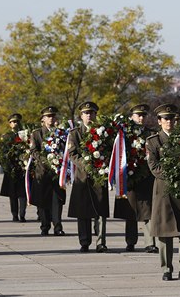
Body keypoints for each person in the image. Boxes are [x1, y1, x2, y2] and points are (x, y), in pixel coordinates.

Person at [146, 104, 180, 283]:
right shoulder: (153, 141)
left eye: (172, 119)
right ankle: (167, 268)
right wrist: (175, 173)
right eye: (166, 119)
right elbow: (153, 166)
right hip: (163, 190)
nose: (169, 122)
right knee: (164, 232)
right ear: (159, 121)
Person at [113, 104, 158, 253]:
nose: (141, 118)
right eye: (138, 115)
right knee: (130, 211)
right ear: (131, 117)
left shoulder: (151, 135)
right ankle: (130, 241)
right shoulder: (124, 134)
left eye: (143, 115)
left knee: (148, 212)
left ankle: (150, 242)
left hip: (146, 177)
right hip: (130, 178)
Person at [67, 102, 109, 252]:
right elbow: (72, 154)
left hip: (99, 175)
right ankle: (84, 241)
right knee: (82, 210)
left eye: (91, 113)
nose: (89, 115)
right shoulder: (75, 133)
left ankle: (101, 242)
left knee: (101, 210)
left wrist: (101, 165)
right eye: (86, 113)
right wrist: (87, 165)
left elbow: (109, 151)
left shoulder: (103, 131)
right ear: (81, 116)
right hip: (82, 177)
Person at [31, 107, 66, 236]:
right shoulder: (37, 134)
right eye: (48, 116)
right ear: (43, 119)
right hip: (42, 171)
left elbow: (65, 149)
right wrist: (46, 160)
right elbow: (33, 151)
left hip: (57, 172)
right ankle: (44, 226)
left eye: (53, 116)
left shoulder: (61, 133)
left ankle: (58, 227)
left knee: (57, 200)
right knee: (43, 200)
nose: (51, 118)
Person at [0, 113, 28, 222]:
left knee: (23, 193)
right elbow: (2, 153)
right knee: (13, 194)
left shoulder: (24, 135)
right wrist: (8, 167)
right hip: (11, 169)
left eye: (17, 121)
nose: (15, 124)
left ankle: (22, 214)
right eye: (13, 122)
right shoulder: (6, 136)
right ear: (9, 124)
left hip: (22, 168)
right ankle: (14, 214)